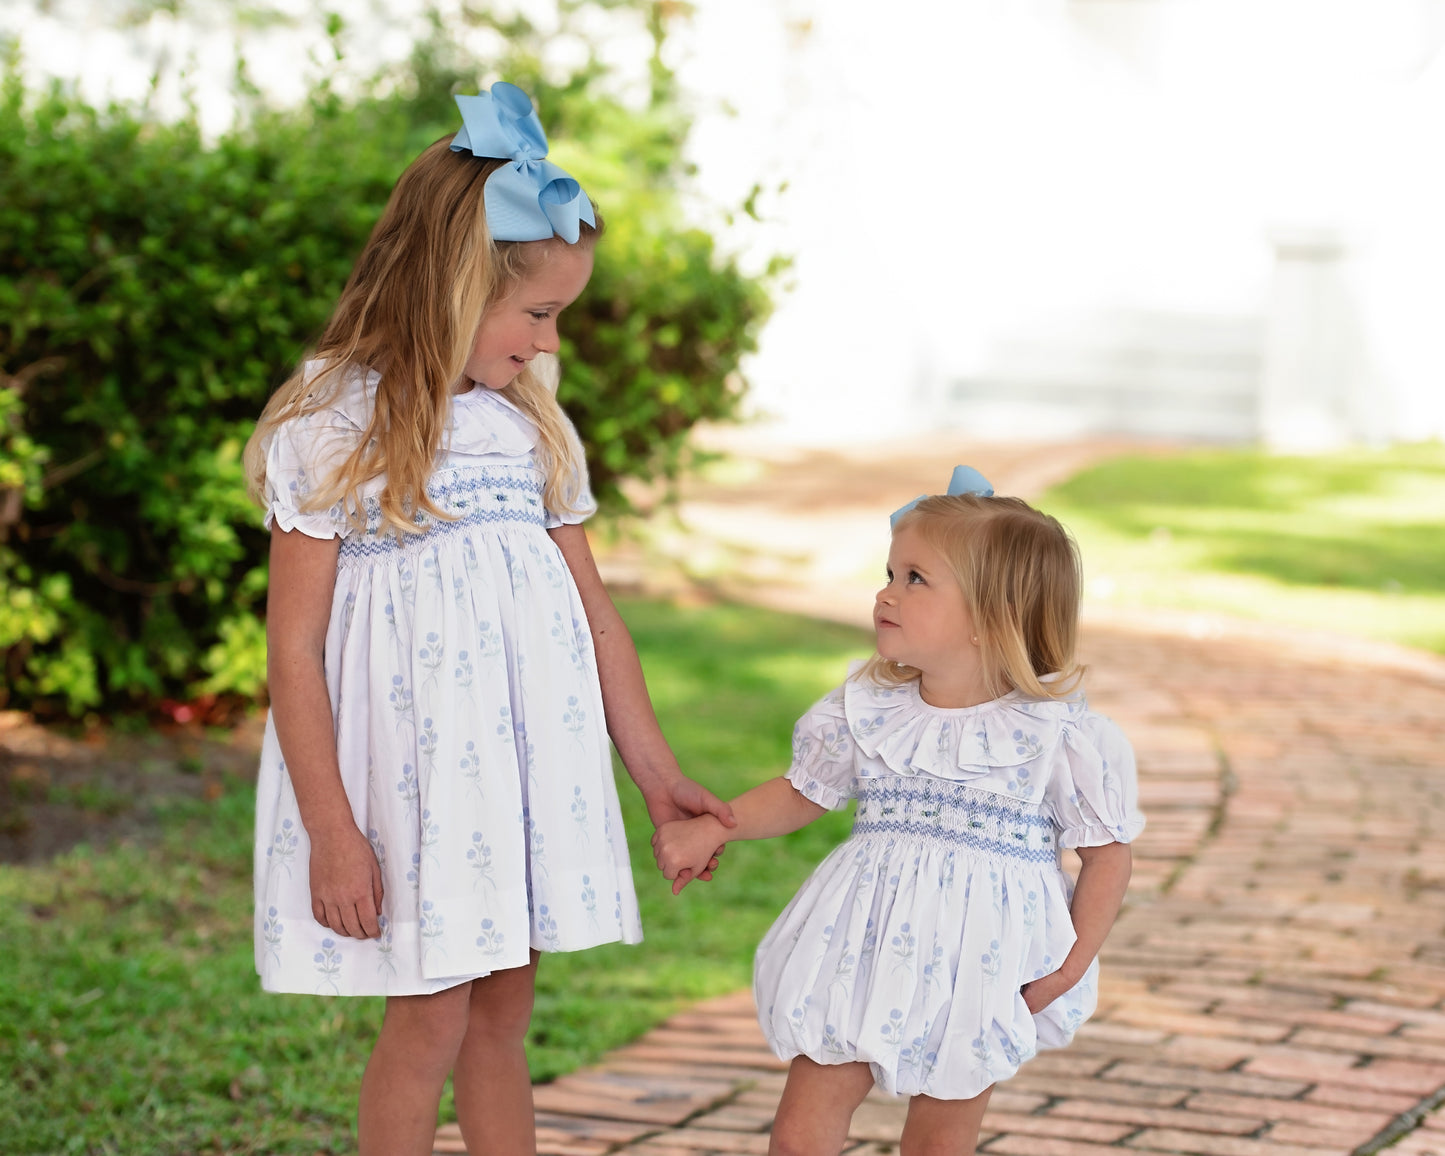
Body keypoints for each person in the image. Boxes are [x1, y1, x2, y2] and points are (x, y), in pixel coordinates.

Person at [244, 82, 733, 1156]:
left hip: (515, 780)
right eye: (539, 313)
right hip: (415, 785)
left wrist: (654, 777)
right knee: (428, 1019)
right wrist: (332, 826)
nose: (549, 340)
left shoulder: (530, 431)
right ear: (452, 288)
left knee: (503, 1013)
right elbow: (293, 648)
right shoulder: (334, 424)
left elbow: (594, 618)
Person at [652, 467, 1144, 1156]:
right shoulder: (870, 709)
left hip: (982, 957)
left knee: (939, 1141)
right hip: (862, 937)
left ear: (990, 613)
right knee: (801, 1128)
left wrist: (1066, 968)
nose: (886, 593)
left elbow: (1107, 854)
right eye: (889, 573)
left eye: (916, 579)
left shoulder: (1056, 737)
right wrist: (712, 825)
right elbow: (802, 789)